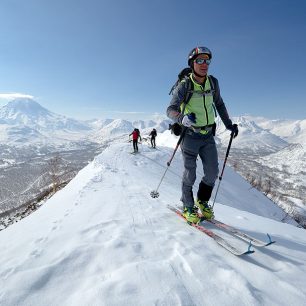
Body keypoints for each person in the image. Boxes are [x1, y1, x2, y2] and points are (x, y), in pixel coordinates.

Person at [167, 46, 238, 224]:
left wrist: (229, 124)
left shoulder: (213, 83)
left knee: (212, 172)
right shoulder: (185, 85)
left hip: (207, 136)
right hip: (190, 136)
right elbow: (170, 109)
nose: (204, 63)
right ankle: (188, 206)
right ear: (192, 63)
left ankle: (203, 201)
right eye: (200, 60)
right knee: (190, 174)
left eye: (207, 60)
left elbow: (219, 104)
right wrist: (181, 118)